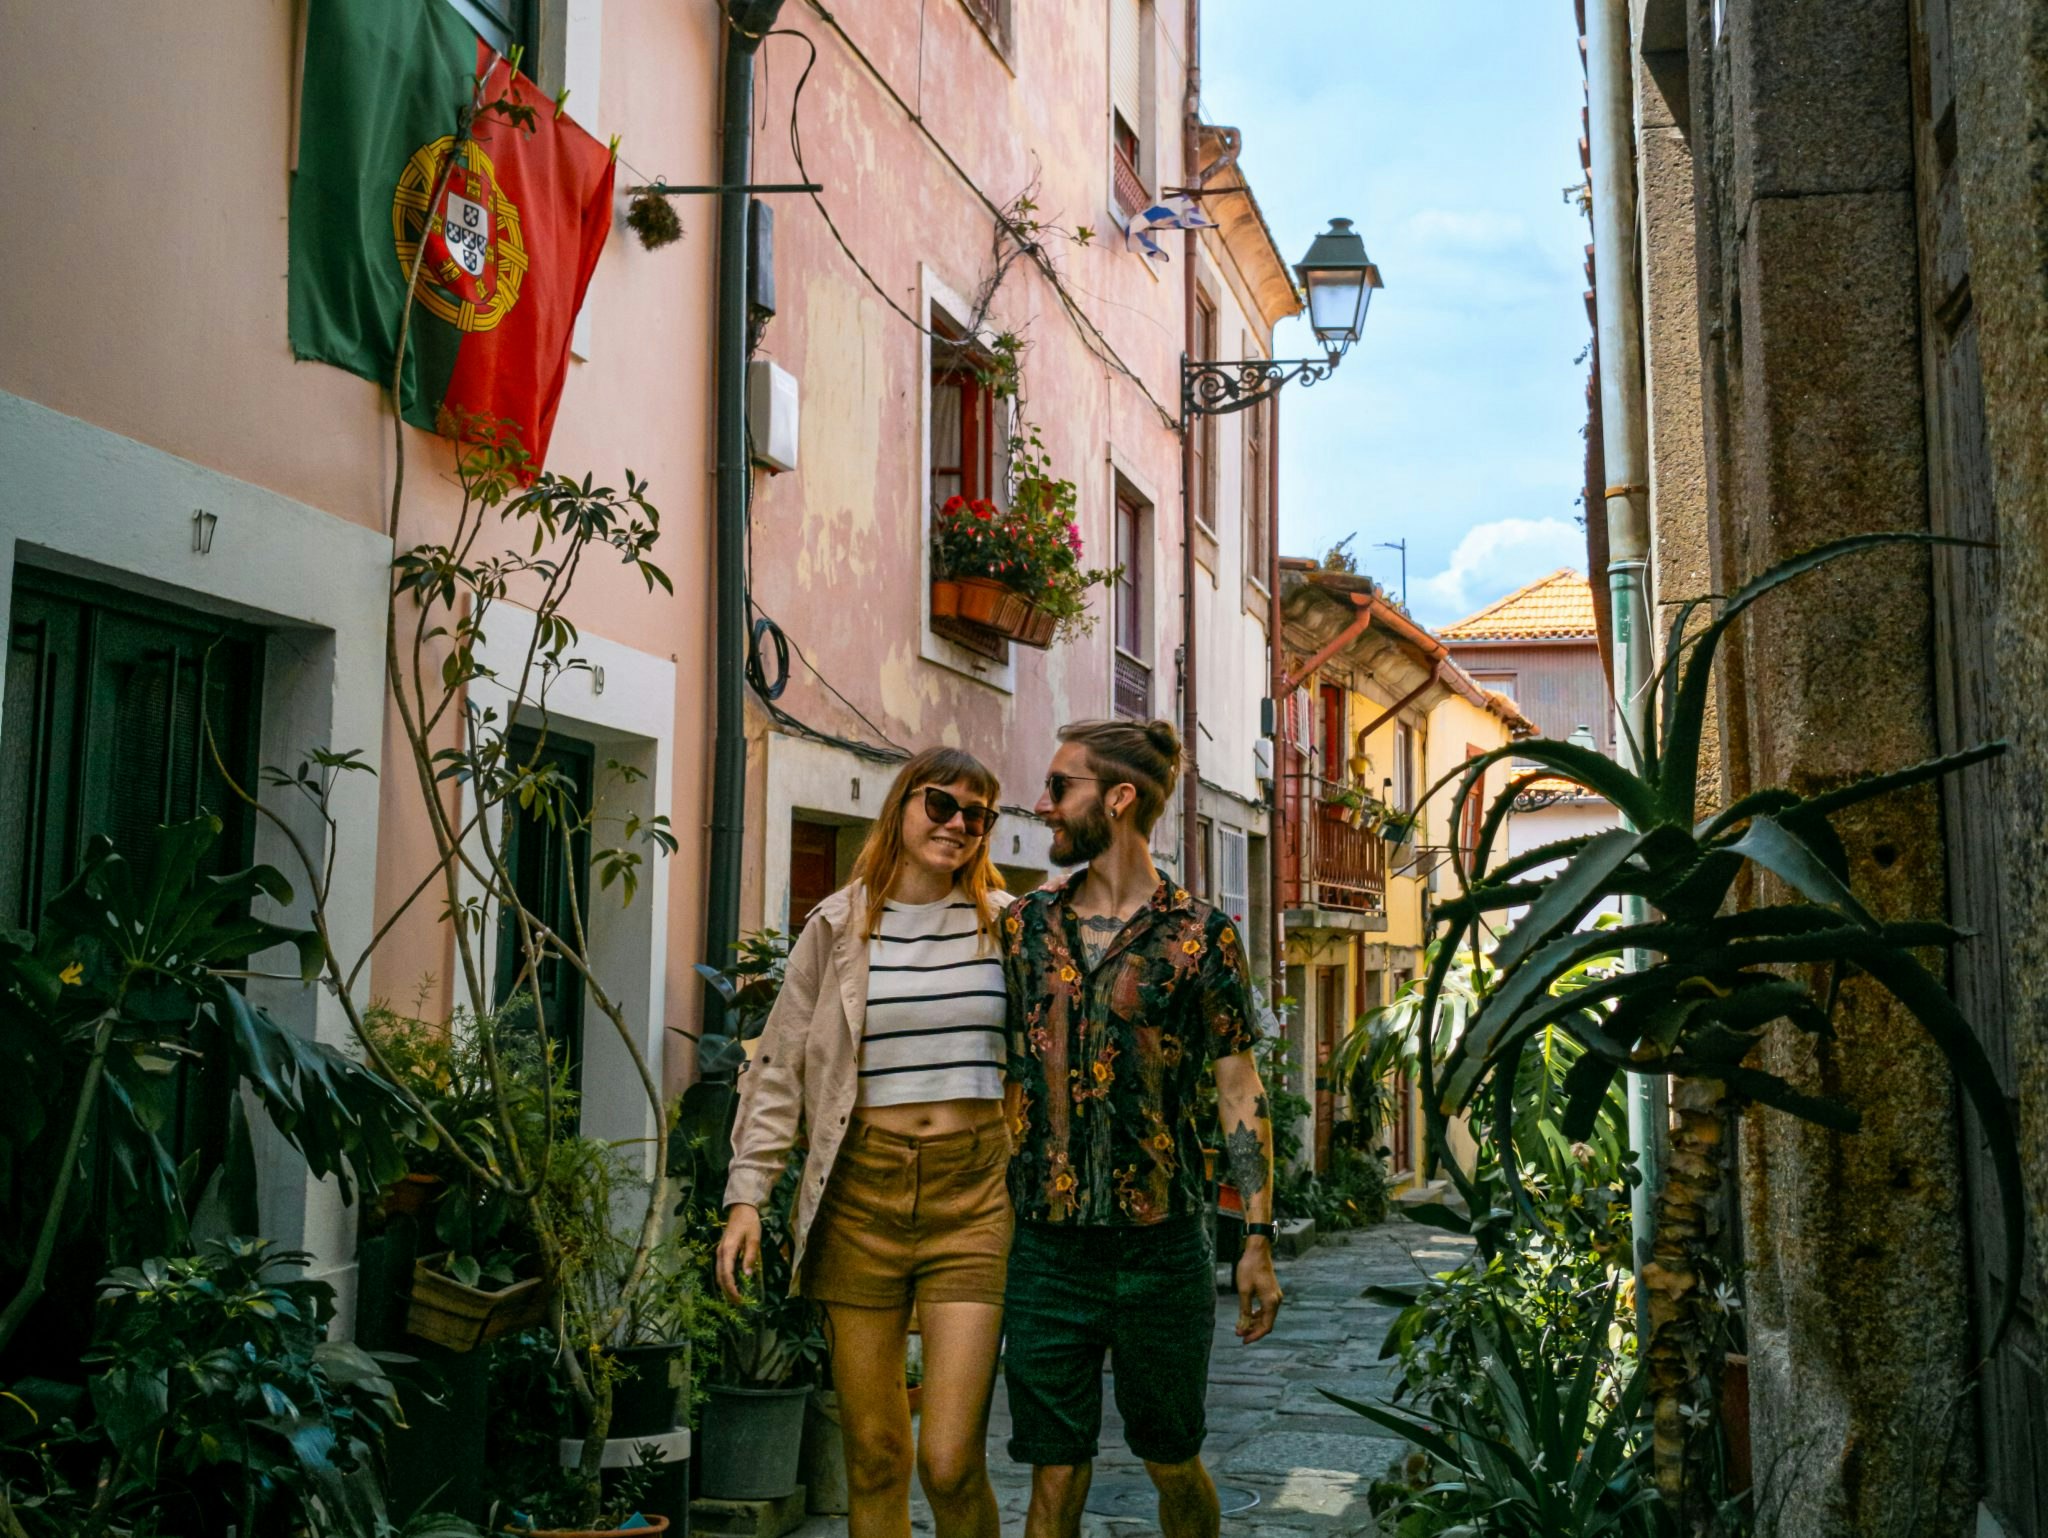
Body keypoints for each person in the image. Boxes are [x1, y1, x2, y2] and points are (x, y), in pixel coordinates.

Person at [718, 747, 1014, 1538]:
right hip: (859, 1193)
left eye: (977, 815)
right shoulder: (838, 925)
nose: (957, 825)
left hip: (973, 1195)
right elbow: (780, 1067)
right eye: (941, 804)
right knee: (875, 1455)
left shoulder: (1007, 926)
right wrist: (747, 1197)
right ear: (903, 805)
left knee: (950, 1461)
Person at [1000, 719, 1284, 1538]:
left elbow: (1238, 1087)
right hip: (1048, 1248)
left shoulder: (1202, 936)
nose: (1044, 804)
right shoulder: (1024, 927)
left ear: (1118, 799)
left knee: (1171, 1457)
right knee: (1055, 1469)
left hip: (1162, 1248)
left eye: (1061, 788)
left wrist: (1256, 1237)